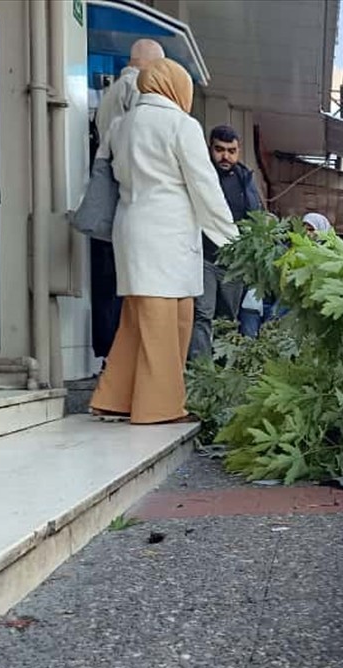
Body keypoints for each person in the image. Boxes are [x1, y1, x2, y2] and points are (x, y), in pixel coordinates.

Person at [89, 59, 238, 424]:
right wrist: (233, 239)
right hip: (165, 233)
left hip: (131, 227)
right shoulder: (180, 125)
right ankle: (159, 408)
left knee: (138, 320)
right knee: (165, 326)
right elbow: (204, 185)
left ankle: (114, 397)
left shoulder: (120, 125)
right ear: (175, 86)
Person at [90, 39, 165, 368]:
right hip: (130, 202)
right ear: (150, 65)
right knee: (131, 286)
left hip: (112, 204)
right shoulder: (135, 91)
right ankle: (123, 361)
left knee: (110, 283)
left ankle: (111, 358)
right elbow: (139, 153)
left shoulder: (110, 95)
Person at [187, 124, 263, 361]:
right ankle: (202, 368)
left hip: (234, 263)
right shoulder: (201, 175)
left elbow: (256, 217)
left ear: (238, 151)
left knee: (227, 318)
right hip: (204, 257)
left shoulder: (244, 179)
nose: (225, 156)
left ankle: (221, 369)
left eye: (231, 150)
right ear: (210, 148)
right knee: (203, 313)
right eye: (219, 149)